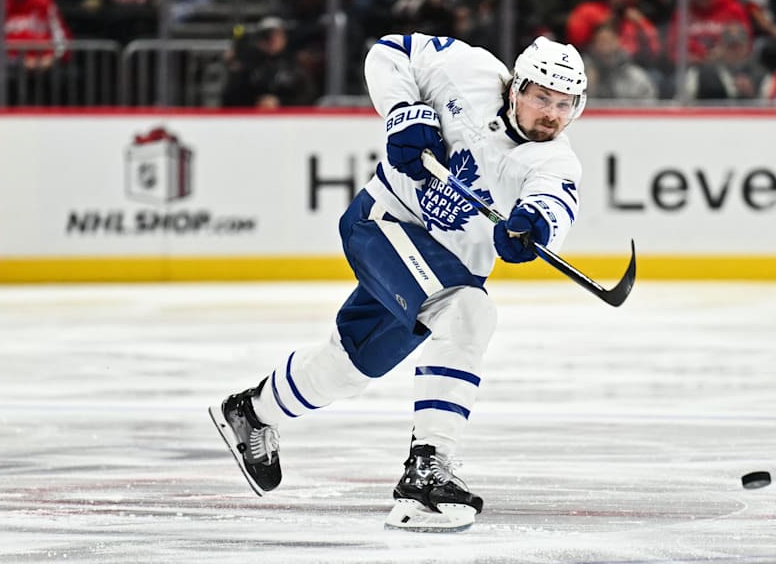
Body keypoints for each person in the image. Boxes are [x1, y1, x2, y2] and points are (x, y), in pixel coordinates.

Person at [210, 33, 587, 532]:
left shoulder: (555, 160)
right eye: (542, 98)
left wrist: (534, 226)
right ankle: (427, 470)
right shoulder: (468, 71)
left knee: (349, 367)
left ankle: (253, 412)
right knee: (471, 312)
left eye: (565, 105)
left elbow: (554, 204)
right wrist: (404, 108)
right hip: (383, 226)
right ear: (515, 86)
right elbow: (390, 50)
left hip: (437, 270)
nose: (551, 115)